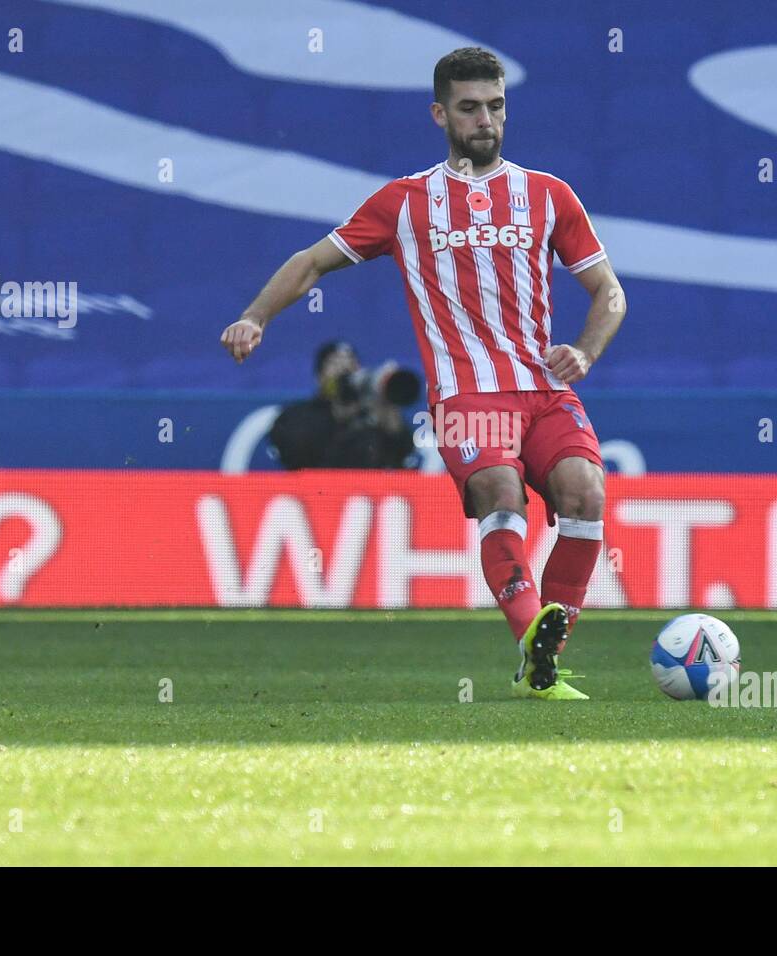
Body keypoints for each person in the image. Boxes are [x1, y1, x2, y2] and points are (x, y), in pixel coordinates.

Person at [221, 47, 627, 700]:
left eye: (496, 106)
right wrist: (255, 316)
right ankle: (531, 631)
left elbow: (609, 293)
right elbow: (312, 261)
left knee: (586, 494)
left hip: (543, 393)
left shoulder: (549, 196)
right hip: (468, 396)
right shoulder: (406, 203)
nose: (485, 120)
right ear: (440, 113)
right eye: (469, 108)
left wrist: (585, 351)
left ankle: (544, 657)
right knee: (500, 490)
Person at [268, 340, 415, 470]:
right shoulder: (297, 416)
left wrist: (389, 416)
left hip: (369, 496)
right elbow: (296, 455)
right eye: (335, 363)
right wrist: (339, 417)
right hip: (315, 496)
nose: (345, 369)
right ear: (319, 376)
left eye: (352, 363)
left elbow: (404, 458)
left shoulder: (371, 413)